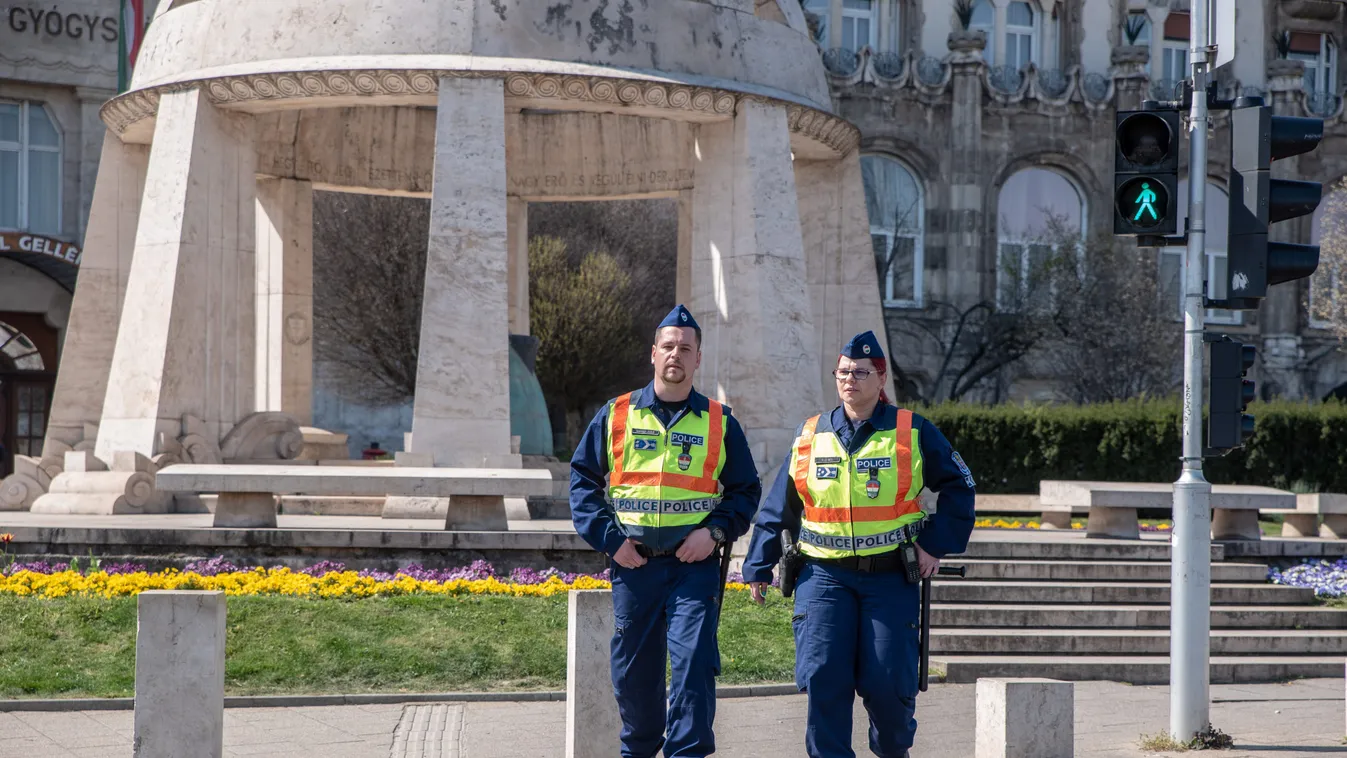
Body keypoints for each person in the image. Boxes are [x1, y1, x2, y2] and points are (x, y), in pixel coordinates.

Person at [742, 330, 976, 758]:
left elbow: (961, 486)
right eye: (843, 372)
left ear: (880, 377)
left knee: (889, 686)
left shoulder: (913, 430)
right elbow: (781, 503)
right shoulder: (811, 434)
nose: (850, 379)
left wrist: (934, 544)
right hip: (823, 578)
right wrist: (758, 563)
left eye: (860, 372)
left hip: (888, 579)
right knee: (824, 683)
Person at [570, 303, 762, 758]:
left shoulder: (720, 421)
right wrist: (611, 540)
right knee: (634, 678)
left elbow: (745, 490)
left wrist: (714, 533)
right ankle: (638, 750)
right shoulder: (616, 415)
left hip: (692, 569)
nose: (676, 354)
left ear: (698, 359)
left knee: (694, 665)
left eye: (686, 348)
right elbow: (582, 482)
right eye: (669, 346)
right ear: (653, 354)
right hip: (634, 568)